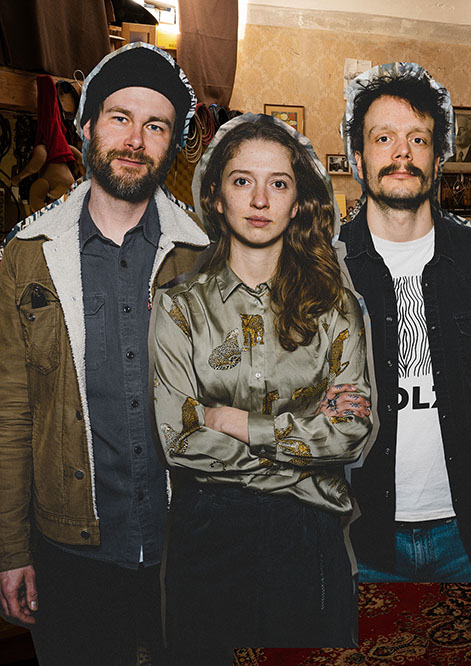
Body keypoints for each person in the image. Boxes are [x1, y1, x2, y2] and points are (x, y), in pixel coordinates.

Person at [0, 43, 208, 665]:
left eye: (156, 126)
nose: (135, 140)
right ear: (87, 126)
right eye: (120, 118)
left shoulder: (209, 256)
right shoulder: (26, 257)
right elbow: (10, 414)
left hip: (190, 547)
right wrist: (10, 549)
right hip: (71, 553)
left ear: (171, 143)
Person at [152, 113, 373, 657]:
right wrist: (304, 461)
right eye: (242, 181)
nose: (259, 200)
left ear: (297, 203)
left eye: (278, 184)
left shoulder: (335, 307)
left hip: (307, 540)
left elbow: (351, 431)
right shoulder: (179, 306)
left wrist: (238, 423)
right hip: (208, 536)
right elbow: (179, 440)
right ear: (216, 197)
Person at [337, 62, 471, 582]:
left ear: (439, 157)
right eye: (383, 138)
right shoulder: (326, 264)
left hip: (466, 538)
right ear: (358, 159)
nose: (401, 153)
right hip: (358, 537)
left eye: (417, 139)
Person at [10, 75, 83, 213]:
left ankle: (46, 84)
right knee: (50, 116)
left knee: (51, 114)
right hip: (55, 154)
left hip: (59, 154)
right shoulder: (45, 148)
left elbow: (79, 160)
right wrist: (19, 178)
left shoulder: (66, 192)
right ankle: (45, 83)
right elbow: (37, 164)